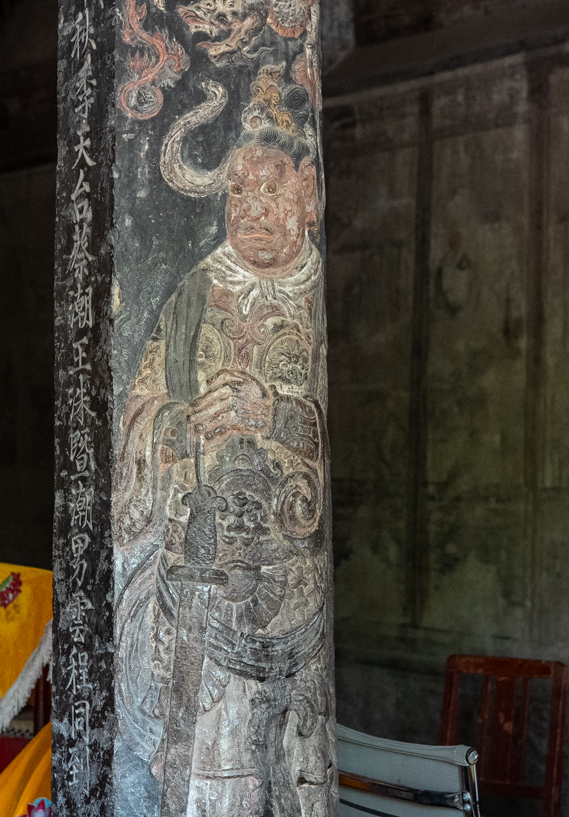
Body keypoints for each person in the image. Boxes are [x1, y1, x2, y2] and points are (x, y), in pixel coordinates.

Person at [114, 68, 334, 817]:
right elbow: (141, 412)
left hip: (293, 581)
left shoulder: (321, 293)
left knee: (294, 768)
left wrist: (268, 411)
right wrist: (179, 425)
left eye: (271, 189)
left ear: (307, 190)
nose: (253, 209)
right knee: (210, 774)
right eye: (239, 192)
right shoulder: (195, 293)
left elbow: (326, 438)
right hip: (208, 577)